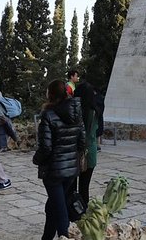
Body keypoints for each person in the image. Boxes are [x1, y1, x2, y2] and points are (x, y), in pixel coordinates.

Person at [33, 79, 85, 240]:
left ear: (51, 93)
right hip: (70, 169)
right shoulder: (76, 113)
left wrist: (37, 159)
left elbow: (46, 147)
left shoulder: (48, 115)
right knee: (53, 206)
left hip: (54, 171)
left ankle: (64, 236)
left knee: (60, 208)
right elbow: (82, 141)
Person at [73, 81, 98, 206]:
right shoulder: (95, 112)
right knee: (84, 187)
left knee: (72, 187)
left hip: (77, 152)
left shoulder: (75, 112)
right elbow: (97, 131)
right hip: (90, 152)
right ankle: (83, 212)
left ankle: (73, 211)